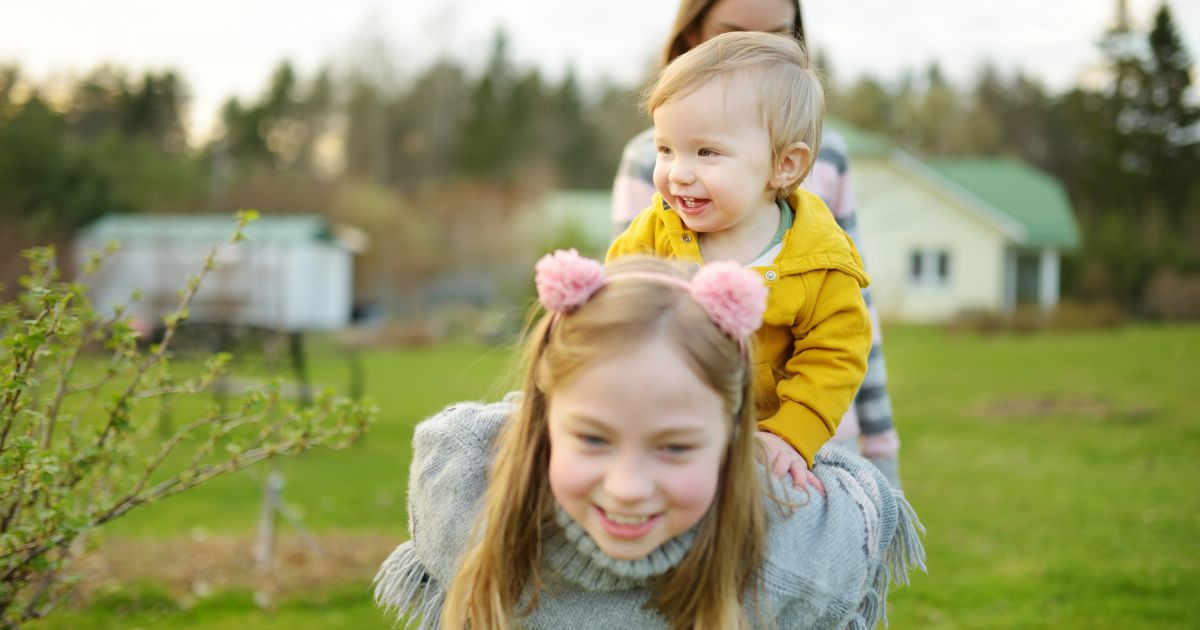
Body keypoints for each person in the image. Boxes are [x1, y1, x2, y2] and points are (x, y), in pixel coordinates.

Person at [375, 251, 924, 629]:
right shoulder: (471, 514)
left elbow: (858, 506)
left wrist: (778, 445)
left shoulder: (792, 562)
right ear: (542, 426)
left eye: (675, 447)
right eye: (593, 438)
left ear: (730, 443)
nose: (629, 488)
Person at [610, 0, 903, 489]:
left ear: (784, 166)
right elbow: (614, 315)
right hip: (674, 447)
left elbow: (839, 352)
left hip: (780, 455)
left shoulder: (819, 259)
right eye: (666, 149)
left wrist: (793, 435)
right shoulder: (655, 230)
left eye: (706, 152)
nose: (678, 172)